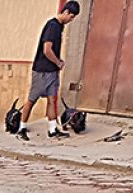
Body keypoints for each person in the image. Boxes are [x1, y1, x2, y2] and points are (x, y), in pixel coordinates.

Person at [16, 1, 80, 142]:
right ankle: (21, 128)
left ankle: (52, 130)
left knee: (52, 100)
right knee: (32, 100)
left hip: (52, 71)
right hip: (41, 71)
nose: (71, 20)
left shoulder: (59, 26)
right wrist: (58, 62)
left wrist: (57, 64)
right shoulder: (52, 26)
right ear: (66, 12)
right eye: (71, 17)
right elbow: (47, 50)